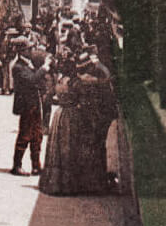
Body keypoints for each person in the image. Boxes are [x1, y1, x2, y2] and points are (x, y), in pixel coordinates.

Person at [40, 46, 119, 196]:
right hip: (73, 116)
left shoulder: (61, 79)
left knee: (60, 148)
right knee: (73, 148)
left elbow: (49, 97)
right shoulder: (78, 82)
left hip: (60, 115)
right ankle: (82, 184)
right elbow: (85, 98)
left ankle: (58, 182)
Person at [9, 38, 50, 176]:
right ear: (23, 51)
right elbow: (32, 80)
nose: (32, 51)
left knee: (37, 135)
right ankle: (17, 165)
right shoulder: (18, 67)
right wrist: (44, 68)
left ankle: (36, 165)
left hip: (35, 103)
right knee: (25, 134)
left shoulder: (29, 64)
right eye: (30, 49)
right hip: (27, 105)